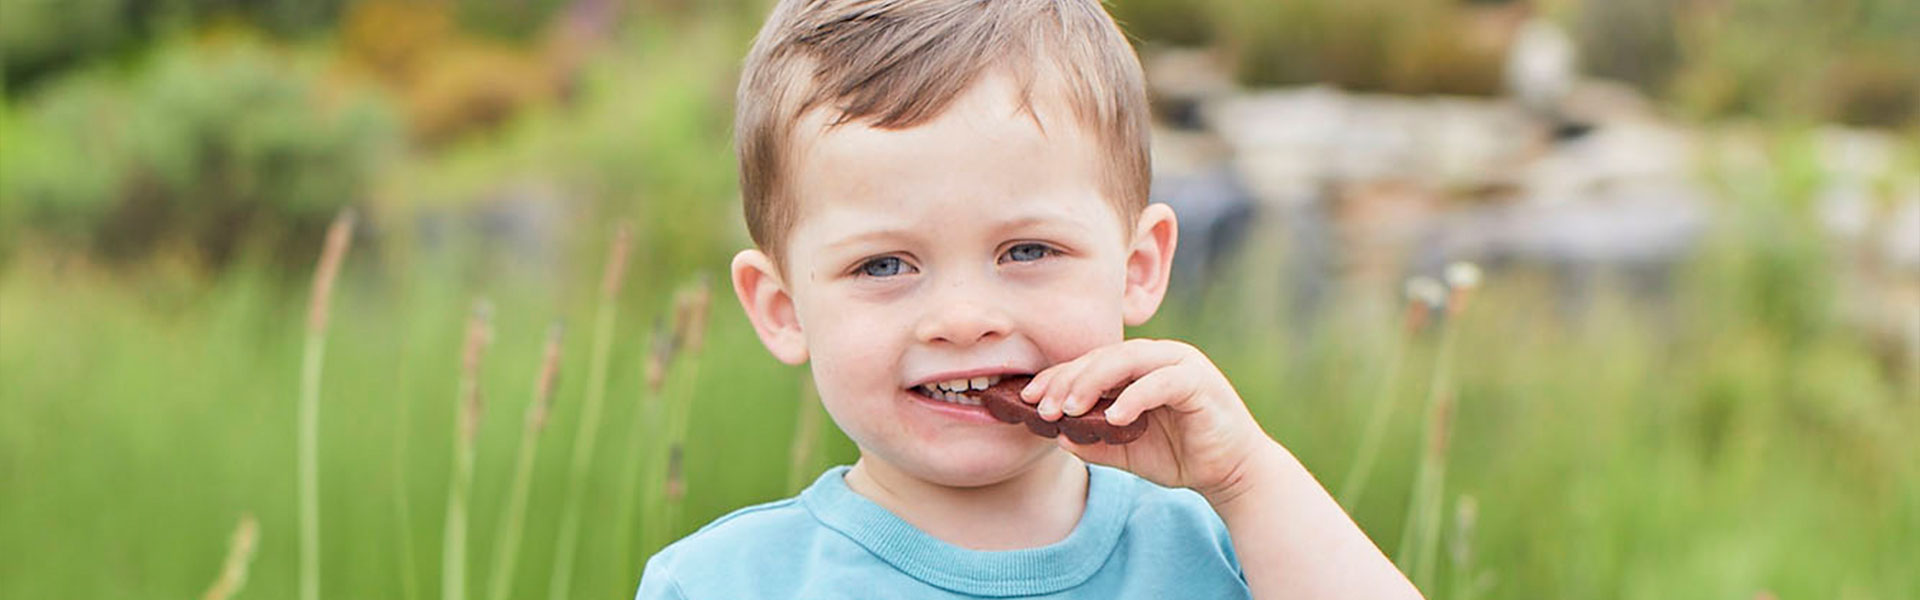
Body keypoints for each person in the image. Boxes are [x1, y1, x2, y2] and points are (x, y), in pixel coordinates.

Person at [635, 1, 1420, 597]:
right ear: (780, 308)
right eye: (883, 266)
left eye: (1028, 251)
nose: (965, 319)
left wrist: (1249, 477)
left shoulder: (1233, 547)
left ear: (1138, 266)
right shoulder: (723, 581)